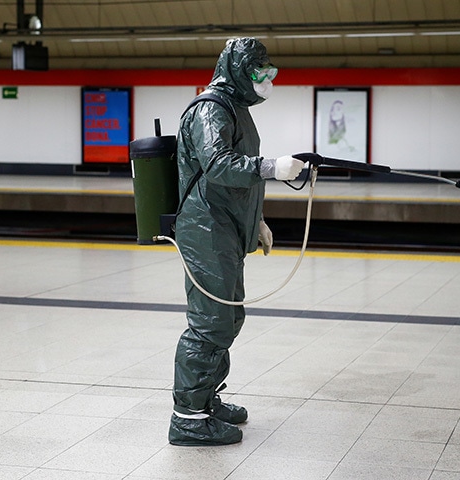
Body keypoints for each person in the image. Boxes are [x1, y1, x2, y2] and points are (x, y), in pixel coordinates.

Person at [169, 37, 304, 446]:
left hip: (226, 226)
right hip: (206, 229)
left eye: (269, 74)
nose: (266, 82)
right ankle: (187, 418)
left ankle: (207, 397)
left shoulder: (236, 108)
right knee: (210, 322)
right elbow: (219, 165)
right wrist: (272, 167)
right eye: (259, 74)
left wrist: (257, 219)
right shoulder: (210, 108)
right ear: (238, 72)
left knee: (228, 318)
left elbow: (235, 178)